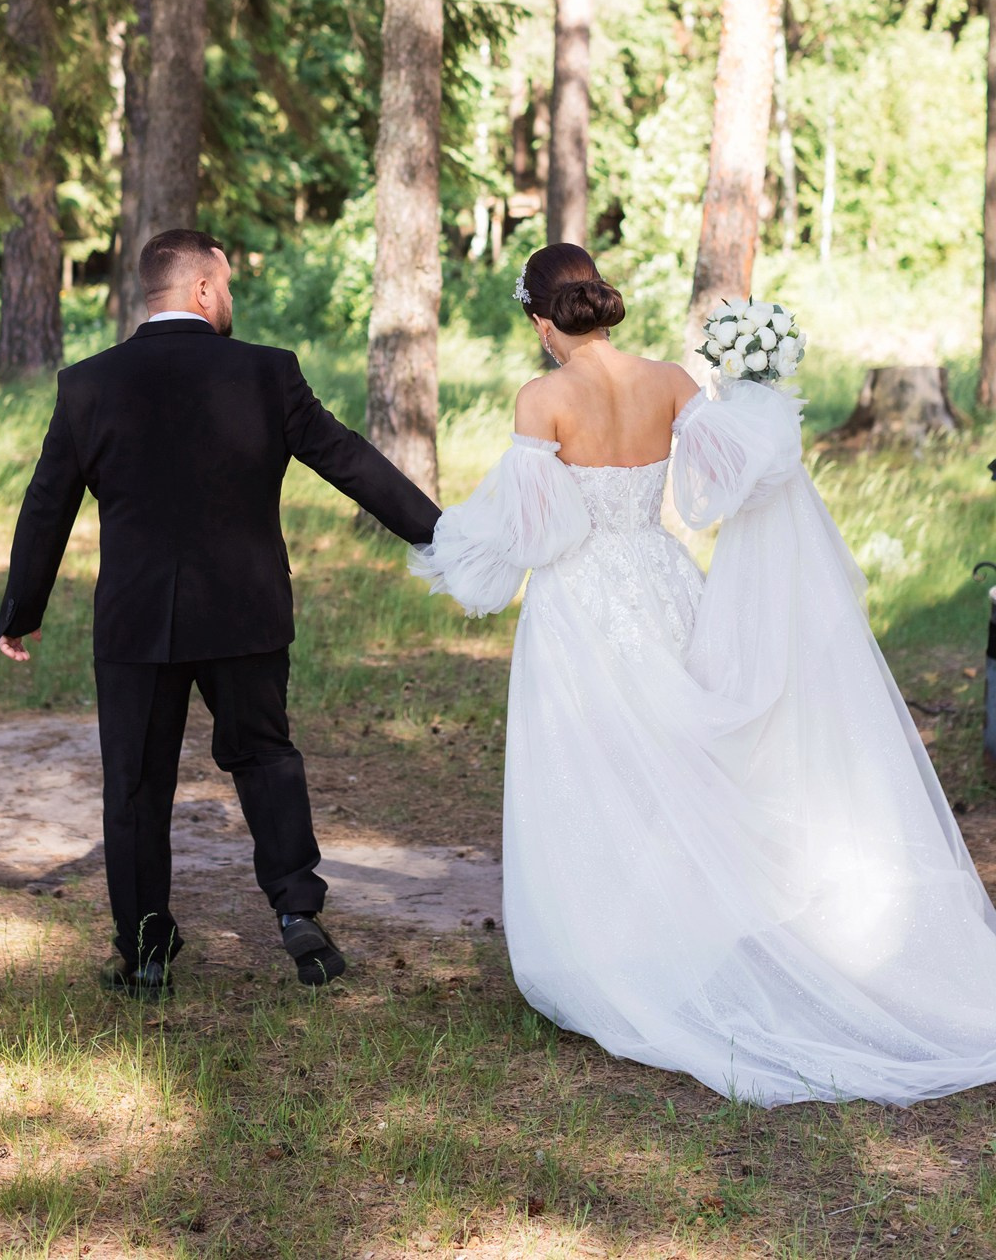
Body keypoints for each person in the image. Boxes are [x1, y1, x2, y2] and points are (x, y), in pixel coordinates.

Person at [410, 241, 996, 1105]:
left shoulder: (542, 397)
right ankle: (698, 932)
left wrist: (462, 547)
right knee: (687, 764)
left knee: (602, 772)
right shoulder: (671, 380)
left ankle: (622, 951)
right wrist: (757, 394)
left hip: (582, 601)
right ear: (600, 302)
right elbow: (728, 480)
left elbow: (535, 535)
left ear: (542, 322)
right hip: (663, 578)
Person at [0, 229, 439, 997]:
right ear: (203, 289)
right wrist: (440, 534)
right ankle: (298, 912)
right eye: (226, 285)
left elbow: (47, 505)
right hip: (246, 610)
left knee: (135, 784)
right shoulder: (267, 373)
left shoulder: (88, 384)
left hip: (137, 622)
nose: (230, 299)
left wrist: (21, 608)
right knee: (265, 755)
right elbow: (349, 459)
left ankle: (146, 950)